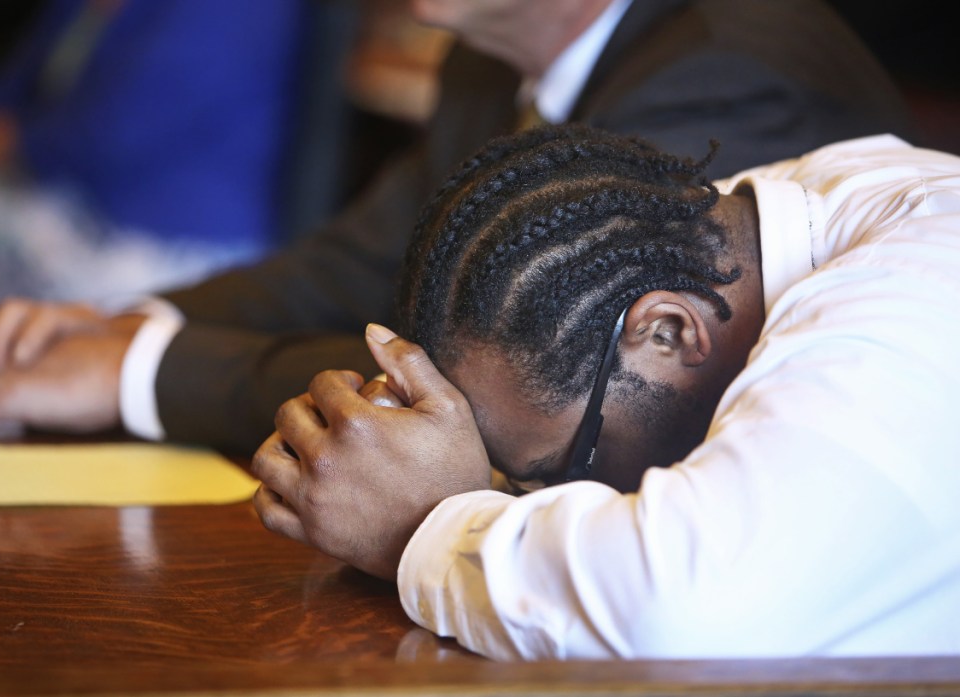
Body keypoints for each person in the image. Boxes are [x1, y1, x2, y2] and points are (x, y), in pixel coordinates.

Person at [0, 0, 915, 452]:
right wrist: (127, 320)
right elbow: (358, 257)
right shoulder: (488, 54)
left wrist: (138, 372)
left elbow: (505, 382)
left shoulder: (725, 67)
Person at [250, 125, 960, 659]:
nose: (538, 491)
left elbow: (688, 606)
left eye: (564, 465)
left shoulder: (911, 294)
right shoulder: (725, 234)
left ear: (669, 332)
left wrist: (423, 522)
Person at [0, 0, 308, 310]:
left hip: (167, 244)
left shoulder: (233, 10)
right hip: (75, 197)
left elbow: (109, 136)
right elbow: (23, 78)